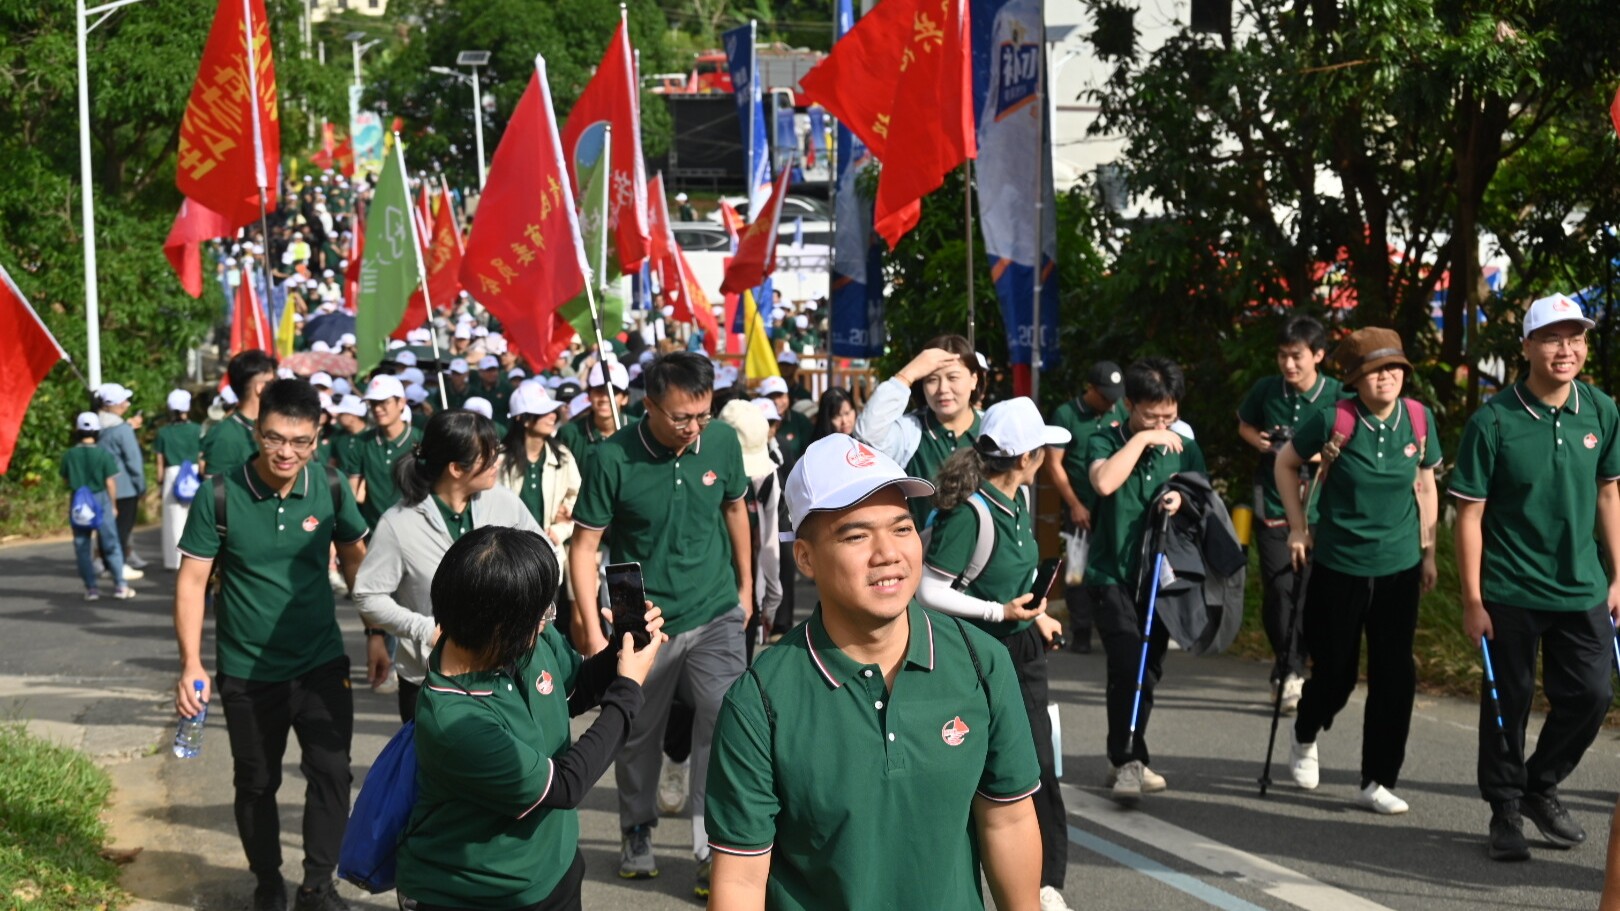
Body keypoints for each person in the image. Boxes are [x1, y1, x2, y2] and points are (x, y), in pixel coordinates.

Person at [705, 433, 1043, 910]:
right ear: (805, 557)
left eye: (902, 528)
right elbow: (739, 880)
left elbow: (1007, 819)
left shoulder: (981, 661)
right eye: (856, 535)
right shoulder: (760, 700)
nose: (888, 553)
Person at [173, 379, 370, 911]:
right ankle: (266, 882)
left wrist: (375, 632)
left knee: (331, 772)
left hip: (322, 662)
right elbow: (193, 582)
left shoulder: (329, 488)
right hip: (247, 669)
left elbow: (355, 558)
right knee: (256, 781)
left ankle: (316, 885)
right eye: (276, 438)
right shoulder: (220, 494)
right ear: (258, 431)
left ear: (317, 436)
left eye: (300, 441)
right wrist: (192, 662)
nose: (287, 452)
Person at [396, 527, 667, 911]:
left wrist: (622, 645)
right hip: (477, 894)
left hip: (555, 871)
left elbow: (572, 691)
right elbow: (565, 785)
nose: (548, 620)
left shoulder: (524, 641)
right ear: (500, 627)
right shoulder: (455, 722)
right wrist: (628, 691)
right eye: (541, 613)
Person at [568, 351, 752, 898]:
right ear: (647, 405)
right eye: (681, 418)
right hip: (638, 612)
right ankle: (636, 830)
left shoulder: (720, 442)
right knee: (637, 729)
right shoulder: (610, 458)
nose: (694, 428)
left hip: (716, 606)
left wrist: (744, 589)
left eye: (703, 414)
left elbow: (737, 510)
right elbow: (585, 548)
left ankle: (710, 843)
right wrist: (595, 628)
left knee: (726, 717)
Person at [1449, 294, 1620, 862]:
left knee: (1593, 695)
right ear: (1526, 345)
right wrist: (1472, 599)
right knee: (1508, 703)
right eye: (1552, 337)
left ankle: (1539, 785)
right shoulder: (1493, 420)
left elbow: (1608, 493)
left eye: (1575, 337)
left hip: (1582, 585)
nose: (1565, 348)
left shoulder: (1600, 409)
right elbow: (1469, 514)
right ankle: (1503, 810)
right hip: (1510, 589)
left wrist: (1618, 575)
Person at [1273, 327, 1439, 815]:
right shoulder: (1334, 418)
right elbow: (1286, 465)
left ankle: (1378, 779)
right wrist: (1298, 528)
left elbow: (1425, 486)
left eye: (1393, 369)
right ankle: (1305, 732)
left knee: (1394, 675)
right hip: (1340, 564)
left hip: (1400, 566)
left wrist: (1428, 552)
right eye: (1373, 371)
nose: (1385, 378)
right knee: (1337, 674)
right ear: (1354, 378)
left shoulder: (1419, 418)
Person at [915, 397, 1072, 910]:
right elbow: (930, 592)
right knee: (978, 772)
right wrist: (999, 613)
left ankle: (1045, 885)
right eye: (1044, 447)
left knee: (1039, 765)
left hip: (1020, 648)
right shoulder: (972, 513)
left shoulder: (1019, 500)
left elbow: (1019, 576)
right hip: (973, 656)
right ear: (1026, 457)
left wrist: (1035, 613)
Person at [354, 410, 541, 723]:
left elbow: (545, 557)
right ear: (456, 468)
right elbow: (368, 595)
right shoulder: (399, 524)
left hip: (504, 676)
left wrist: (540, 609)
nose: (498, 461)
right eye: (489, 455)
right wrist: (425, 629)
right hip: (429, 682)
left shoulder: (505, 502)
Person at [1086, 357, 1204, 805]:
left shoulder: (1185, 445)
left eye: (1169, 415)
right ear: (1129, 404)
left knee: (1148, 672)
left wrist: (1181, 496)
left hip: (1159, 576)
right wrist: (1146, 439)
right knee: (1128, 662)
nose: (1163, 423)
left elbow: (1201, 494)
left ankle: (1127, 755)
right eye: (1152, 414)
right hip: (1111, 573)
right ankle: (1129, 759)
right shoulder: (1105, 437)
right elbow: (1104, 483)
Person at [1237, 315, 1343, 712]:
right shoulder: (1267, 390)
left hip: (1321, 508)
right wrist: (1263, 443)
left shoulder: (1339, 395)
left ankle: (1303, 663)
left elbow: (1347, 444)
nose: (1289, 365)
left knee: (1313, 592)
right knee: (1279, 590)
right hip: (1275, 506)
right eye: (1282, 356)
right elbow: (1244, 425)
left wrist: (1306, 454)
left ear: (1318, 355)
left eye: (1297, 356)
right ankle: (1287, 668)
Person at [853, 334, 985, 525]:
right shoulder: (911, 431)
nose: (943, 389)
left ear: (974, 379)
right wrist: (908, 373)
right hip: (923, 551)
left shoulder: (992, 430)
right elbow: (867, 435)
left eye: (953, 377)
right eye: (931, 380)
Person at [1043, 361, 1128, 654]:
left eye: (1114, 397)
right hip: (1079, 506)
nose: (1110, 403)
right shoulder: (1066, 415)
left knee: (1113, 567)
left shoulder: (1121, 411)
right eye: (1104, 396)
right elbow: (1054, 464)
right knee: (1078, 570)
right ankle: (1080, 630)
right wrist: (1075, 505)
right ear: (1089, 389)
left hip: (1113, 507)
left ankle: (1114, 625)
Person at [499, 383, 581, 572]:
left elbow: (577, 495)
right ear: (523, 419)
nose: (553, 416)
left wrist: (561, 529)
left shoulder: (562, 456)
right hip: (509, 558)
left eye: (552, 410)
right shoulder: (500, 460)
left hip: (549, 555)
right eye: (543, 412)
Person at [64, 412, 134, 601]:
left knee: (82, 546)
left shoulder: (70, 454)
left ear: (78, 431)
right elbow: (110, 482)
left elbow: (66, 478)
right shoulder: (103, 454)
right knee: (111, 544)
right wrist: (113, 504)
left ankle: (91, 588)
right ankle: (120, 585)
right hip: (100, 499)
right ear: (97, 431)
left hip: (79, 500)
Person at [346, 374, 424, 530]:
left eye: (384, 402)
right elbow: (351, 491)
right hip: (372, 531)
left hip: (413, 530)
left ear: (401, 402)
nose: (377, 409)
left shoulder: (420, 440)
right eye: (373, 403)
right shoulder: (362, 441)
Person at [95, 382, 148, 576]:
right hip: (125, 487)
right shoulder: (122, 430)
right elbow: (134, 460)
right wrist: (141, 486)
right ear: (116, 404)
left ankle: (107, 564)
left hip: (101, 485)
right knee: (123, 528)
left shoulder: (96, 426)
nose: (127, 404)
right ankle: (120, 565)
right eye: (124, 400)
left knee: (106, 527)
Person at [202, 350, 279, 478]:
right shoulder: (224, 435)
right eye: (273, 382)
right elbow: (217, 491)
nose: (278, 388)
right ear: (260, 388)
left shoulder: (278, 426)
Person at [556, 358, 634, 481]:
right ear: (589, 395)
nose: (604, 398)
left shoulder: (639, 430)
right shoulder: (569, 434)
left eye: (612, 392)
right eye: (598, 391)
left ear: (624, 398)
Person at [155, 389, 203, 571]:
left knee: (174, 520)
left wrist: (160, 483)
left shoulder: (163, 432)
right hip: (194, 473)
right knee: (196, 517)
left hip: (172, 474)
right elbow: (201, 455)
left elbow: (160, 462)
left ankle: (175, 560)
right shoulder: (197, 429)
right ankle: (196, 557)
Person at [756, 376, 812, 469]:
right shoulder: (753, 422)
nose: (776, 401)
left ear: (788, 396)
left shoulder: (800, 421)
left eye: (780, 395)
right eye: (770, 397)